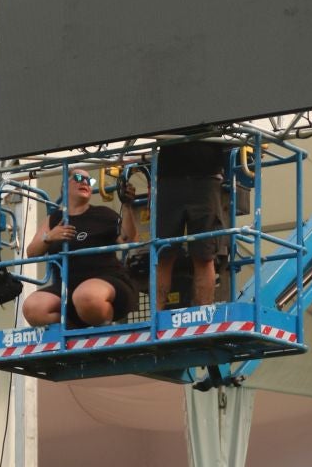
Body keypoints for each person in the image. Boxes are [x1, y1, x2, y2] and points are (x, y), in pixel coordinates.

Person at [21, 168, 139, 328]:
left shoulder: (104, 214)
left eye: (89, 181)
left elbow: (130, 240)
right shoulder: (54, 219)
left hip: (107, 282)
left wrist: (126, 205)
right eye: (78, 178)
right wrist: (49, 237)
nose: (85, 182)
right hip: (68, 287)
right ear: (64, 187)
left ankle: (107, 325)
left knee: (85, 296)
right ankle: (73, 330)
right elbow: (31, 252)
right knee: (32, 308)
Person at [152, 135, 230, 309]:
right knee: (162, 254)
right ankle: (155, 319)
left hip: (206, 177)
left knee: (204, 254)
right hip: (169, 178)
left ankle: (203, 315)